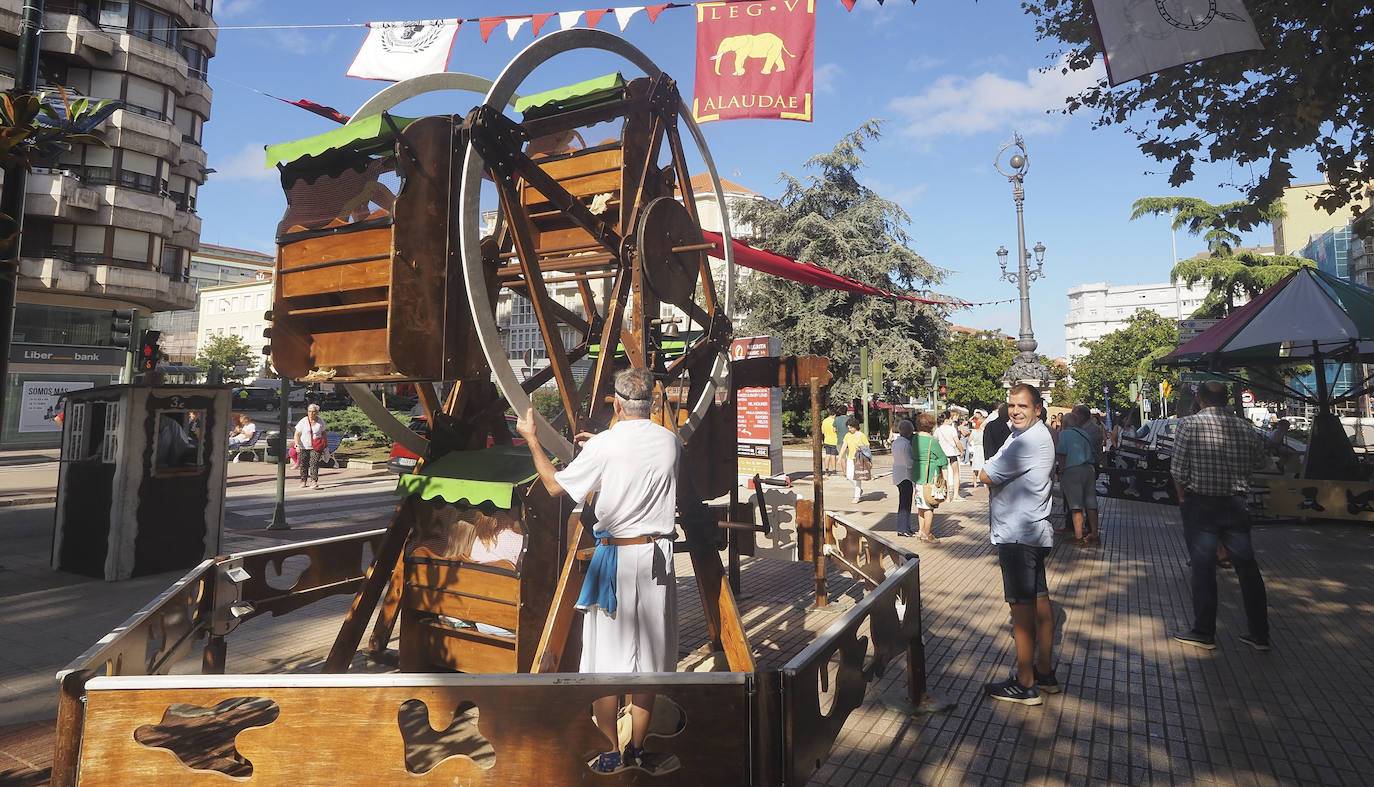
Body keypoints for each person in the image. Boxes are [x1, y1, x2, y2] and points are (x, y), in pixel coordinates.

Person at [515, 367, 679, 773]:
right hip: (657, 562)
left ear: (617, 405)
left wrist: (532, 439)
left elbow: (555, 487)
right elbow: (635, 455)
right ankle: (637, 750)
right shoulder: (671, 443)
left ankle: (609, 750)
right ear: (653, 404)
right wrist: (600, 447)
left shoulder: (604, 447)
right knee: (649, 664)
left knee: (606, 662)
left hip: (615, 563)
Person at [1169, 381, 1270, 652]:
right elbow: (1261, 461)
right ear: (1225, 400)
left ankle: (1204, 631)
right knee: (1247, 568)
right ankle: (1260, 634)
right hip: (1236, 504)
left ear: (1200, 399)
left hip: (1201, 505)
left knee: (1203, 569)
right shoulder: (1245, 427)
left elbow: (1178, 469)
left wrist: (1182, 497)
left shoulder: (1189, 425)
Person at [978, 384, 1058, 705]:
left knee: (1021, 611)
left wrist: (988, 470)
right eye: (1011, 405)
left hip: (1018, 536)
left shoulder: (1026, 441)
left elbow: (986, 474)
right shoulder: (1025, 435)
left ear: (1038, 408)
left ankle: (1026, 683)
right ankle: (1045, 672)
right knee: (1039, 601)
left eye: (1022, 406)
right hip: (1031, 533)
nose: (1015, 411)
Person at [1055, 410, 1101, 544]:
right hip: (1089, 469)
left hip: (1073, 470)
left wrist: (1061, 470)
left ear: (1065, 423)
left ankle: (1078, 536)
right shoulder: (1085, 433)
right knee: (1091, 503)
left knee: (1076, 505)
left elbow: (1061, 454)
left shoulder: (1063, 434)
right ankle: (1094, 534)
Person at [910, 412, 949, 543]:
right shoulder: (932, 441)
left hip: (916, 475)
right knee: (929, 506)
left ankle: (921, 531)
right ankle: (927, 533)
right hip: (929, 477)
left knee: (920, 505)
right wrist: (936, 463)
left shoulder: (914, 439)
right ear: (931, 425)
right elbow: (943, 459)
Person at [891, 419, 915, 537]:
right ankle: (903, 528)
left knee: (903, 502)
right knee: (906, 503)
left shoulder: (895, 442)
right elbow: (908, 463)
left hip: (898, 474)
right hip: (905, 475)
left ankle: (904, 527)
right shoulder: (906, 444)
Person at [294, 403, 326, 489]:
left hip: (316, 446)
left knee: (314, 463)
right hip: (303, 446)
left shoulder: (320, 421)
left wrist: (325, 445)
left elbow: (323, 433)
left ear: (317, 412)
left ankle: (314, 481)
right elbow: (296, 434)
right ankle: (303, 480)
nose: (312, 413)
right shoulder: (303, 421)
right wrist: (297, 445)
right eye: (310, 411)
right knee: (303, 464)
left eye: (314, 411)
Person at [840, 419, 871, 503]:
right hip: (850, 458)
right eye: (848, 428)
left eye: (851, 428)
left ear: (855, 427)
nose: (849, 430)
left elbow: (867, 446)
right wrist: (840, 456)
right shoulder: (847, 435)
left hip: (859, 458)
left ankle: (857, 496)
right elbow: (844, 446)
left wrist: (861, 448)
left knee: (857, 477)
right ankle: (859, 490)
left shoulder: (861, 435)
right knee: (849, 476)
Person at [934, 412, 963, 498]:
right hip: (952, 453)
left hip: (942, 454)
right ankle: (955, 495)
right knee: (956, 473)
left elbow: (935, 441)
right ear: (947, 420)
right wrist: (962, 450)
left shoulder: (937, 430)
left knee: (944, 475)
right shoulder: (951, 429)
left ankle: (946, 496)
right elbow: (957, 441)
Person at [969, 411, 987, 488]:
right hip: (983, 448)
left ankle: (975, 482)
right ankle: (985, 483)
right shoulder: (984, 432)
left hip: (976, 448)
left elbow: (969, 441)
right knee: (983, 466)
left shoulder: (974, 432)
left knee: (975, 466)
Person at [821, 408, 841, 475]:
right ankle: (834, 470)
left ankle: (826, 470)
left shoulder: (824, 421)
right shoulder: (834, 421)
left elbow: (822, 432)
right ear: (834, 415)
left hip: (826, 440)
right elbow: (836, 430)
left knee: (827, 455)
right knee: (833, 456)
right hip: (834, 440)